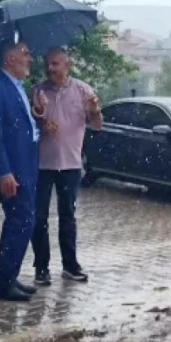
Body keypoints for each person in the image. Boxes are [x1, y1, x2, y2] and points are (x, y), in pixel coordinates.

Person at [0, 41, 45, 302]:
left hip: (26, 165)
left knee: (23, 221)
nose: (30, 59)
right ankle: (2, 283)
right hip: (12, 170)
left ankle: (9, 275)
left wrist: (39, 113)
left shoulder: (17, 87)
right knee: (21, 221)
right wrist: (3, 171)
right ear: (9, 59)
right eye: (25, 54)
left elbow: (23, 127)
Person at [31, 48, 102, 286]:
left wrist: (94, 111)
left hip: (70, 165)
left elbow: (97, 124)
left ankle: (70, 266)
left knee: (67, 217)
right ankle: (41, 268)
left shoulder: (83, 90)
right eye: (47, 64)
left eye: (55, 64)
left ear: (67, 65)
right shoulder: (39, 90)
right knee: (39, 217)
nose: (50, 69)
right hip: (42, 165)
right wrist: (42, 120)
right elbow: (32, 121)